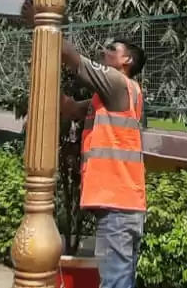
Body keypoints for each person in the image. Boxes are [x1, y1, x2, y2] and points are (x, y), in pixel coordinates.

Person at [59, 36, 147, 288]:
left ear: (126, 60)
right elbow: (73, 109)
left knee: (115, 283)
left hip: (117, 203)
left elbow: (73, 59)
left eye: (112, 49)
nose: (103, 51)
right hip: (123, 203)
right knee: (120, 280)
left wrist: (43, 25)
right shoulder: (113, 97)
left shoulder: (118, 83)